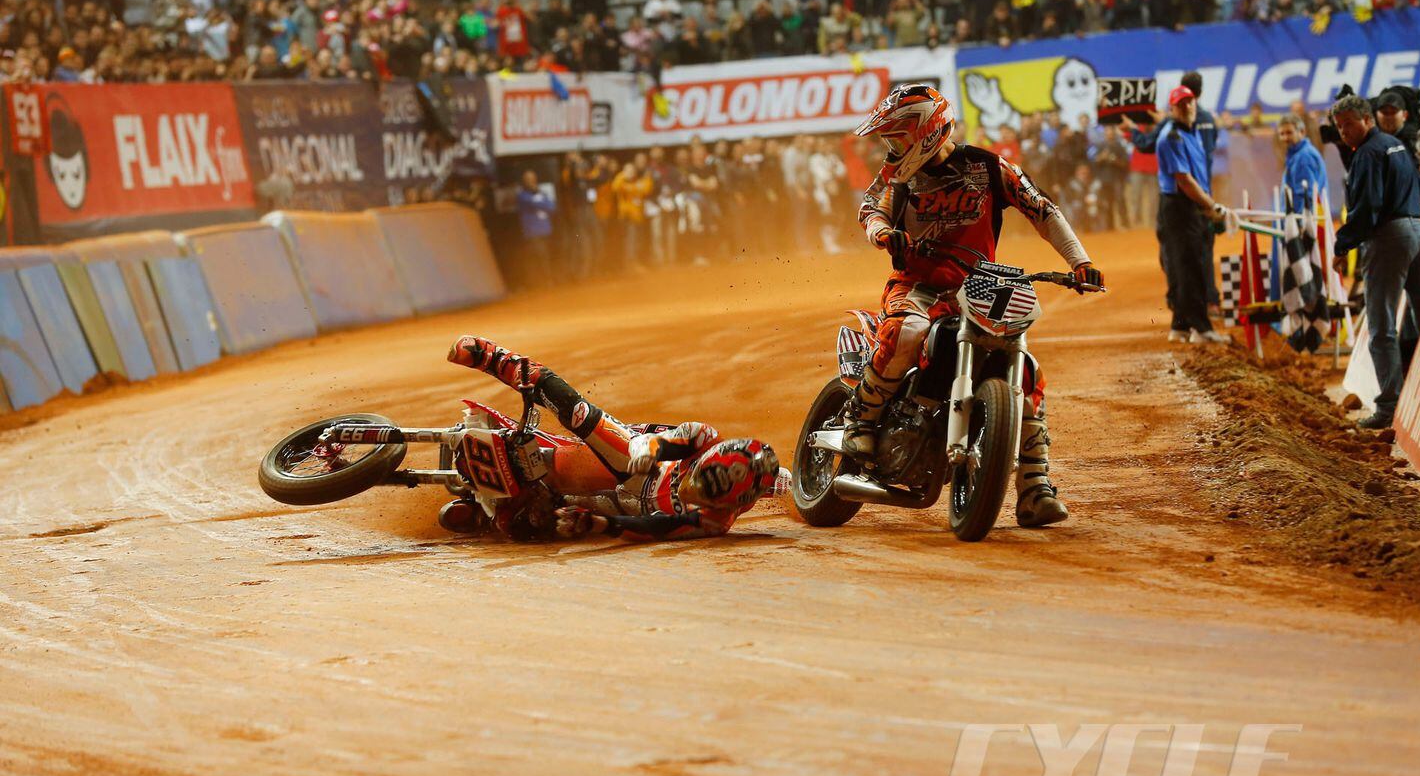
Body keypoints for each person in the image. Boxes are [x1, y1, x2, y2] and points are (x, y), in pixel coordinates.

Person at [842, 85, 1104, 528]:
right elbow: (873, 210)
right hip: (917, 283)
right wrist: (883, 234)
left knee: (1026, 371)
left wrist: (1080, 262)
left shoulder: (988, 167)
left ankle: (1035, 487)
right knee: (907, 333)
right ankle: (860, 421)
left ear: (925, 132)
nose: (891, 150)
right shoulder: (899, 177)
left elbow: (1041, 209)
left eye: (897, 139)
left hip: (978, 285)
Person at [446, 336, 787, 541]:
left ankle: (482, 514)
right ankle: (497, 359)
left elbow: (656, 529)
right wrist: (648, 450)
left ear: (731, 503)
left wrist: (600, 525)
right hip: (635, 460)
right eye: (700, 475)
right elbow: (663, 442)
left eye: (707, 493)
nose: (693, 489)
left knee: (529, 527)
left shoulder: (715, 522)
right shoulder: (705, 436)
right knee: (591, 426)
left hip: (623, 505)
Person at [1330, 94, 1420, 430]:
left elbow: (1368, 206)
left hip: (1390, 238)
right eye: (1340, 126)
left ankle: (1390, 406)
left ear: (1367, 119)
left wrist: (1343, 243)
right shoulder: (1396, 144)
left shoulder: (1367, 154)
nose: (1344, 131)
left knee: (1381, 327)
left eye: (1349, 123)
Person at [1156, 85, 1229, 344]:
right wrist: (1210, 206)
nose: (1187, 107)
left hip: (1189, 207)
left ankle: (1182, 326)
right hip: (1180, 207)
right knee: (1191, 267)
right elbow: (1184, 180)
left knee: (1183, 266)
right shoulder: (1172, 136)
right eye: (1181, 104)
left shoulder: (1192, 132)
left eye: (1190, 102)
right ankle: (1201, 328)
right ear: (1172, 108)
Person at [1277, 113, 1328, 207]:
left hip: (1301, 219)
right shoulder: (1298, 155)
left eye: (1289, 132)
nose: (1285, 138)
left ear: (1302, 132)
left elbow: (1306, 197)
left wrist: (1298, 221)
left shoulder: (1303, 157)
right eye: (1281, 134)